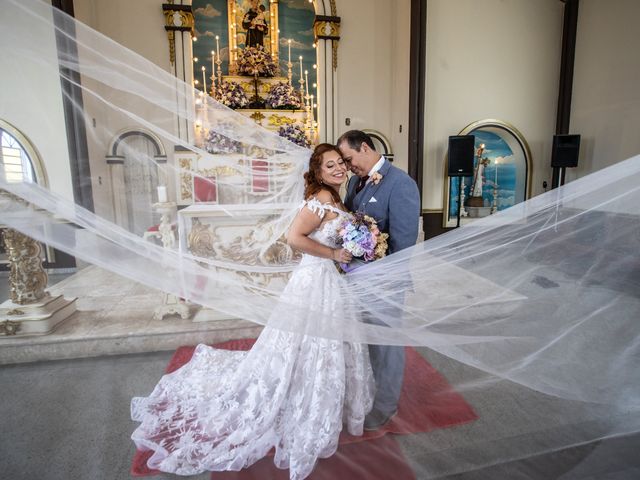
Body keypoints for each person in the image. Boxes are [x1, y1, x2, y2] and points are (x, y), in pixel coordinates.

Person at [131, 143, 374, 480]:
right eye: (330, 165)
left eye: (340, 164)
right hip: (314, 281)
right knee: (303, 341)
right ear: (317, 172)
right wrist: (333, 256)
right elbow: (294, 238)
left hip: (330, 283)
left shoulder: (335, 196)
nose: (338, 169)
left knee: (320, 343)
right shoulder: (319, 198)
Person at [339, 130, 421, 431]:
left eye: (349, 159)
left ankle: (386, 405)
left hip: (385, 283)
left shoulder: (401, 184)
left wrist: (386, 280)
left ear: (365, 147)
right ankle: (369, 392)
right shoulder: (353, 182)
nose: (348, 167)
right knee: (367, 343)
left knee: (386, 345)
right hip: (357, 281)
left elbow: (404, 243)